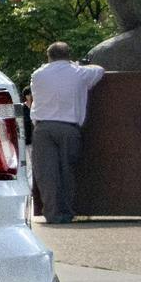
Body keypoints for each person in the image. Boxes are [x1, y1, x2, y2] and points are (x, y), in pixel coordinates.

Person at [28, 41, 105, 223]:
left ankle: (52, 213)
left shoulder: (37, 75)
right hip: (68, 128)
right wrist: (77, 65)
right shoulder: (79, 73)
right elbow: (99, 70)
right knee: (66, 172)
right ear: (68, 56)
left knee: (46, 174)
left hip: (43, 128)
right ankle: (66, 212)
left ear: (49, 56)